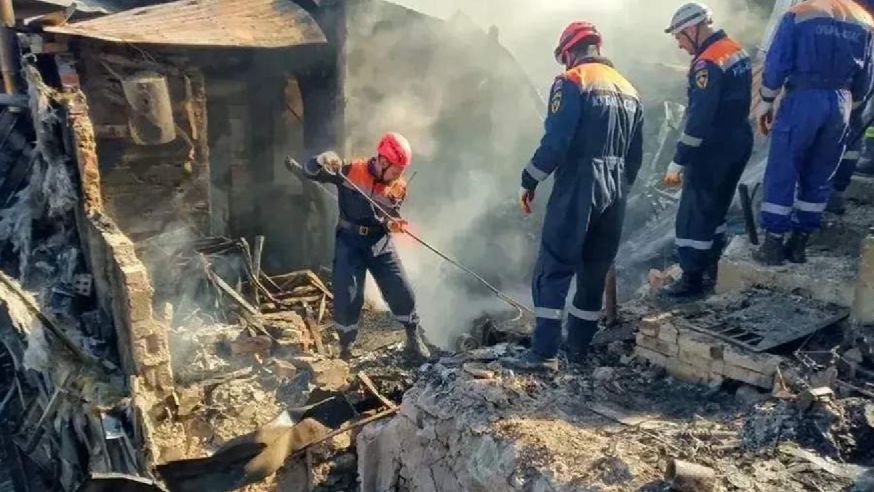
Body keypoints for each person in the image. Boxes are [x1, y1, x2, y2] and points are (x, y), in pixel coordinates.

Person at [503, 21, 645, 372]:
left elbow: (557, 141)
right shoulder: (630, 89)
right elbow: (636, 155)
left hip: (579, 183)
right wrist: (620, 188)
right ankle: (577, 350)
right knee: (594, 271)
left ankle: (545, 354)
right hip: (616, 189)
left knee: (554, 267)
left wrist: (529, 179)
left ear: (568, 51)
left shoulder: (572, 81)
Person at [755, 0, 874, 264]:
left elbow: (778, 61)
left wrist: (766, 99)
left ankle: (773, 244)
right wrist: (848, 103)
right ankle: (800, 243)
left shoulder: (801, 12)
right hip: (842, 102)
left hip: (803, 99)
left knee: (783, 168)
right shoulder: (864, 19)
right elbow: (866, 76)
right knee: (821, 173)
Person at [302, 132, 430, 362]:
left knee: (400, 288)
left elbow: (389, 217)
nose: (398, 176)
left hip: (380, 243)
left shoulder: (398, 187)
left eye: (402, 171)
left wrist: (393, 224)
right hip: (349, 242)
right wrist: (322, 159)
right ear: (383, 161)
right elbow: (310, 171)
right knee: (347, 295)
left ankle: (413, 336)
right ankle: (346, 349)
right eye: (396, 169)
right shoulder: (350, 170)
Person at [661, 2, 753, 297]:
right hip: (738, 140)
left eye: (679, 37)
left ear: (692, 29)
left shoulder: (707, 63)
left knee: (694, 214)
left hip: (712, 148)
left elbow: (700, 118)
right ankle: (711, 268)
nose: (679, 44)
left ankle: (691, 279)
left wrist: (679, 160)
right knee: (716, 210)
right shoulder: (734, 49)